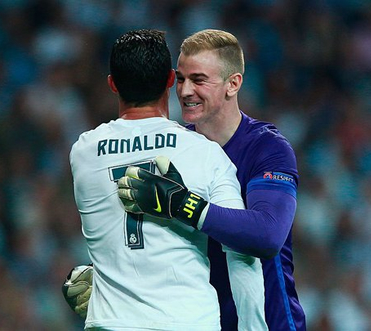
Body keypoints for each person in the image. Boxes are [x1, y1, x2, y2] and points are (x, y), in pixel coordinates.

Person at [66, 29, 266, 330]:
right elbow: (243, 254)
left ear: (112, 84)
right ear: (172, 80)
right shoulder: (205, 154)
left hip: (110, 322)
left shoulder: (83, 153)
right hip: (187, 321)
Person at [117, 29, 307, 331]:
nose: (185, 91)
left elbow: (269, 234)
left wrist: (183, 205)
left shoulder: (266, 148)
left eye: (199, 79)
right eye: (180, 79)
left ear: (233, 84)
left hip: (268, 323)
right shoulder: (174, 148)